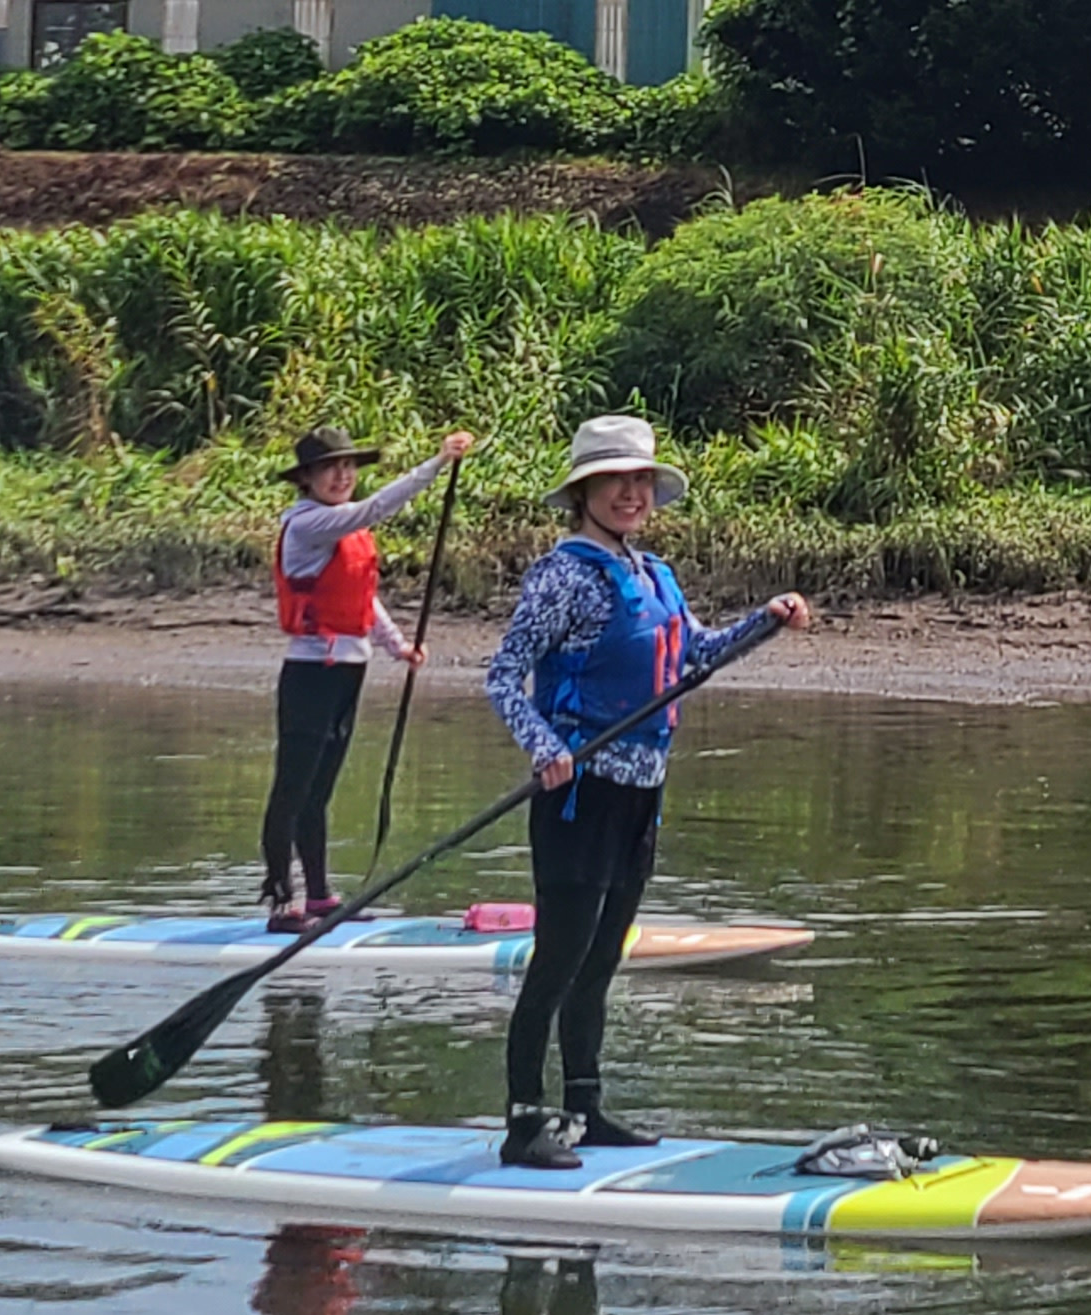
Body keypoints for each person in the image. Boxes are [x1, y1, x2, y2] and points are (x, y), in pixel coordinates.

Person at [483, 415, 812, 1172]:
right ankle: (523, 1121)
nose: (632, 494)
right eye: (615, 481)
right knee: (559, 959)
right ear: (585, 492)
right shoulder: (561, 575)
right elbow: (503, 676)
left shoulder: (653, 572)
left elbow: (692, 655)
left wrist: (766, 622)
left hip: (641, 795)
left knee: (602, 958)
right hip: (578, 795)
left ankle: (585, 1107)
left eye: (641, 482)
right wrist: (546, 746)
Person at [267, 422, 474, 931]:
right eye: (328, 469)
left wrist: (397, 645)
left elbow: (362, 598)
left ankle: (318, 897)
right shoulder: (309, 524)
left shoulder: (344, 528)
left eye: (347, 467)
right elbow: (377, 508)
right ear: (307, 480)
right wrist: (436, 464)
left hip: (347, 672)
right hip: (311, 673)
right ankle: (279, 902)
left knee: (320, 791)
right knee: (292, 791)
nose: (341, 476)